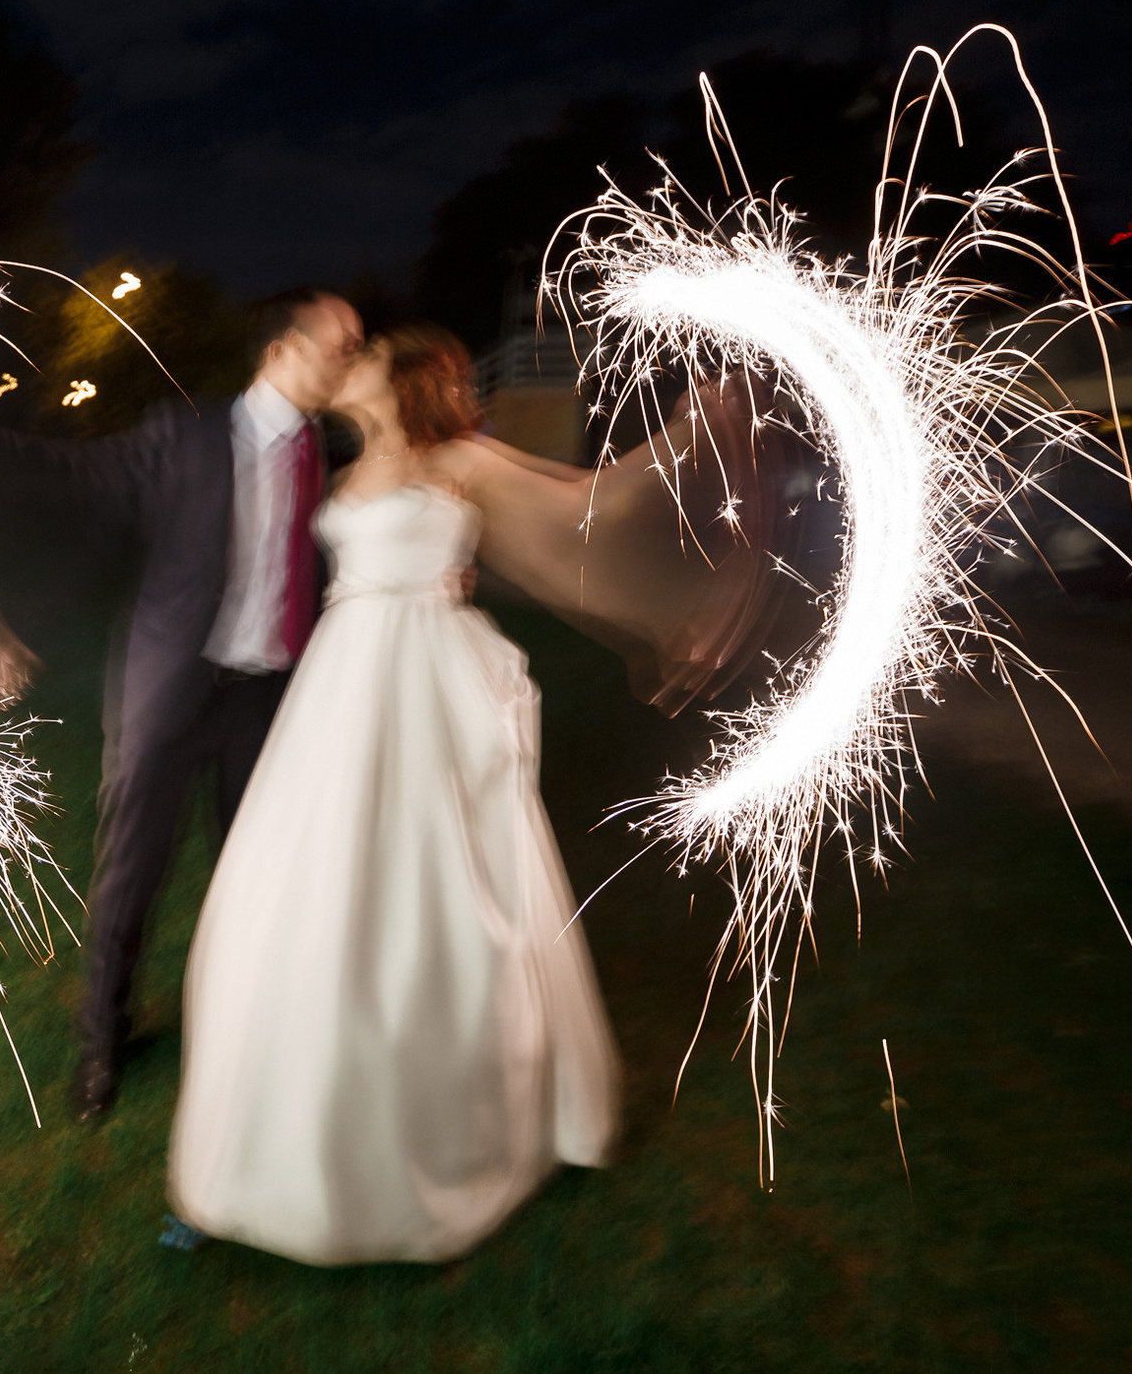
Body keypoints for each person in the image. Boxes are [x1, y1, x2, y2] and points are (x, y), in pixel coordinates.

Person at [164, 324, 780, 1265]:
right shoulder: (341, 469)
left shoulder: (461, 460)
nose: (347, 361)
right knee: (303, 883)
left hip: (422, 685)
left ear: (403, 379)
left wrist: (695, 428)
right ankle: (256, 1153)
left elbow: (591, 508)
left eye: (362, 354)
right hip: (340, 690)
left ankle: (447, 1122)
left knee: (434, 882)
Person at [0, 288, 366, 1121]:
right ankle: (102, 1044)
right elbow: (71, 474)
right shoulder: (183, 436)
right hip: (171, 691)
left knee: (258, 873)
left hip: (268, 700)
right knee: (133, 872)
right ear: (283, 350)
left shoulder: (329, 451)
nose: (351, 359)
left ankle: (248, 1030)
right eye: (341, 344)